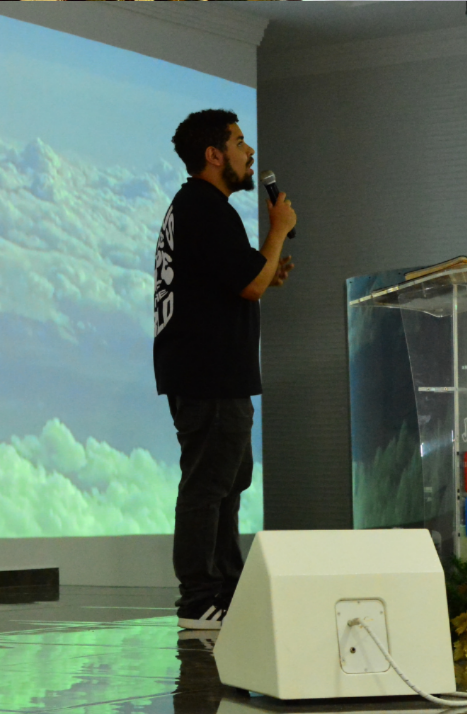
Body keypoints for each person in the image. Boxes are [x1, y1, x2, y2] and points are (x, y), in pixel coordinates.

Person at [153, 109, 296, 630]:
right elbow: (249, 285)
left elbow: (239, 279)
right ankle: (198, 599)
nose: (249, 152)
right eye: (239, 142)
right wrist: (279, 230)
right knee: (208, 485)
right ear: (214, 155)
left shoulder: (200, 208)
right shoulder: (205, 207)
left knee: (228, 482)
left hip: (213, 374)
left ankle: (226, 589)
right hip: (208, 374)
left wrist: (265, 269)